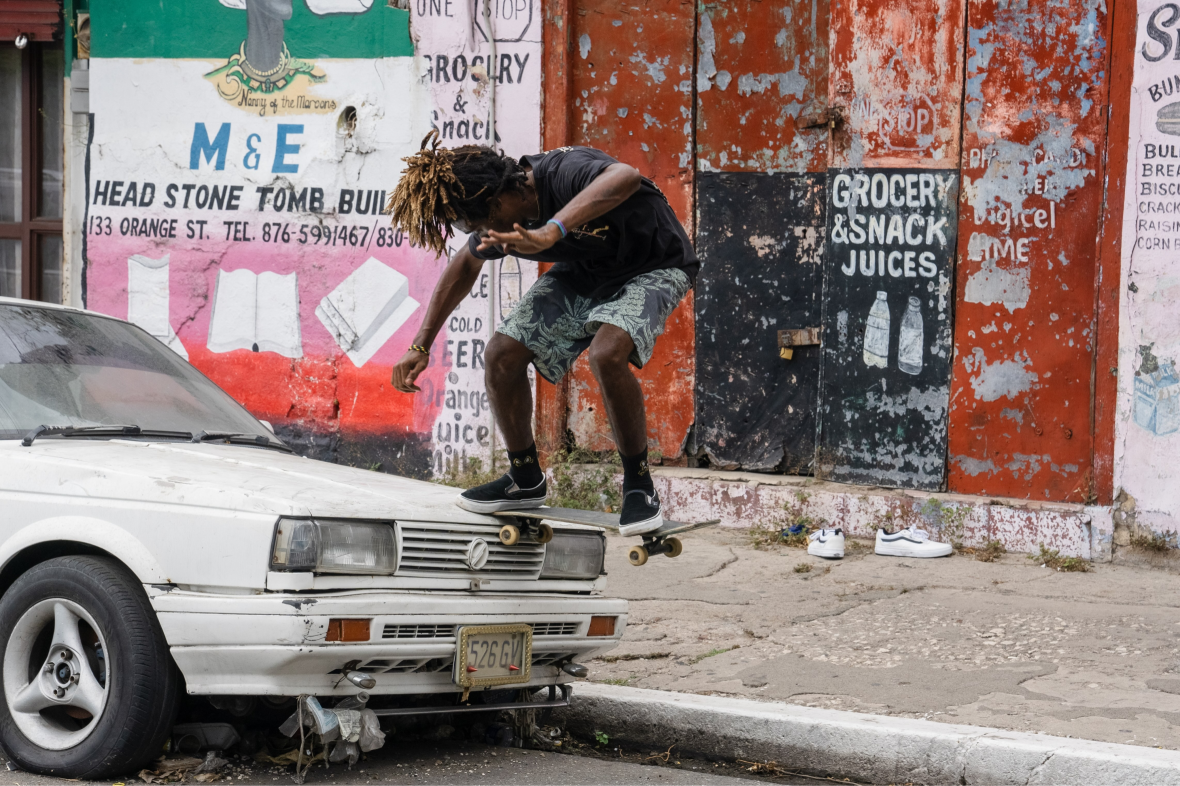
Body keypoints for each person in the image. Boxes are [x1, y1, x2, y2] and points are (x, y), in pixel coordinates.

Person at [387, 131, 699, 535]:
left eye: (480, 222)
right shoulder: (498, 224)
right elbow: (464, 266)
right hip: (588, 273)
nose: (481, 233)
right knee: (502, 353)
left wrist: (553, 230)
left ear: (497, 200)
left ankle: (639, 487)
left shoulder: (562, 172)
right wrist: (420, 345)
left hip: (657, 265)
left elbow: (624, 176)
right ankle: (525, 479)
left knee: (607, 353)